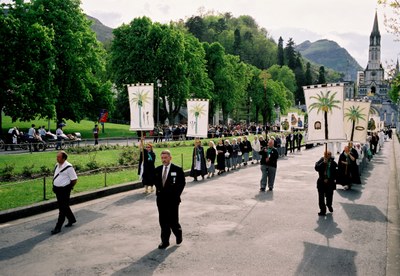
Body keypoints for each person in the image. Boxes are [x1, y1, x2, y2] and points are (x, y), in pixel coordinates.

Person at [154, 150, 186, 249]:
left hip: (173, 200)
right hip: (161, 200)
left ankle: (178, 233)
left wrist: (176, 195)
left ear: (170, 158)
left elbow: (182, 183)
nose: (163, 160)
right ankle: (165, 241)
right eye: (162, 158)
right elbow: (156, 182)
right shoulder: (158, 169)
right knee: (163, 221)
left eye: (165, 158)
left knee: (173, 221)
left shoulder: (177, 169)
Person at [51, 151, 78, 234]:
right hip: (57, 189)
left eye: (59, 157)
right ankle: (72, 219)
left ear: (64, 158)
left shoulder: (69, 167)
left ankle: (58, 227)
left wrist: (68, 188)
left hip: (65, 190)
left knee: (62, 209)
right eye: (57, 157)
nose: (57, 158)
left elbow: (74, 179)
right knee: (64, 206)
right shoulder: (57, 165)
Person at [315, 151, 337, 216]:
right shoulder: (321, 160)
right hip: (321, 182)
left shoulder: (333, 163)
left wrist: (329, 179)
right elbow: (316, 168)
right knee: (321, 197)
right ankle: (322, 210)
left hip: (330, 183)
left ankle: (329, 205)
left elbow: (336, 172)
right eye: (327, 154)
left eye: (329, 154)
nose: (328, 155)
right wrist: (323, 163)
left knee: (329, 196)